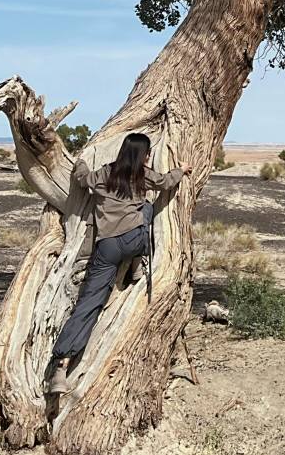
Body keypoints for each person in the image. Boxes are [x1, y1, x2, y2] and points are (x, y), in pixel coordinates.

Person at [46, 132, 191, 393]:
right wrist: (181, 169)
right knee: (147, 208)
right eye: (147, 154)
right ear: (143, 155)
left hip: (107, 247)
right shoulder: (143, 175)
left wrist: (80, 163)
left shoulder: (105, 173)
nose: (149, 157)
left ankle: (61, 366)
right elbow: (166, 182)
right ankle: (136, 264)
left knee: (89, 304)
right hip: (134, 240)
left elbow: (82, 179)